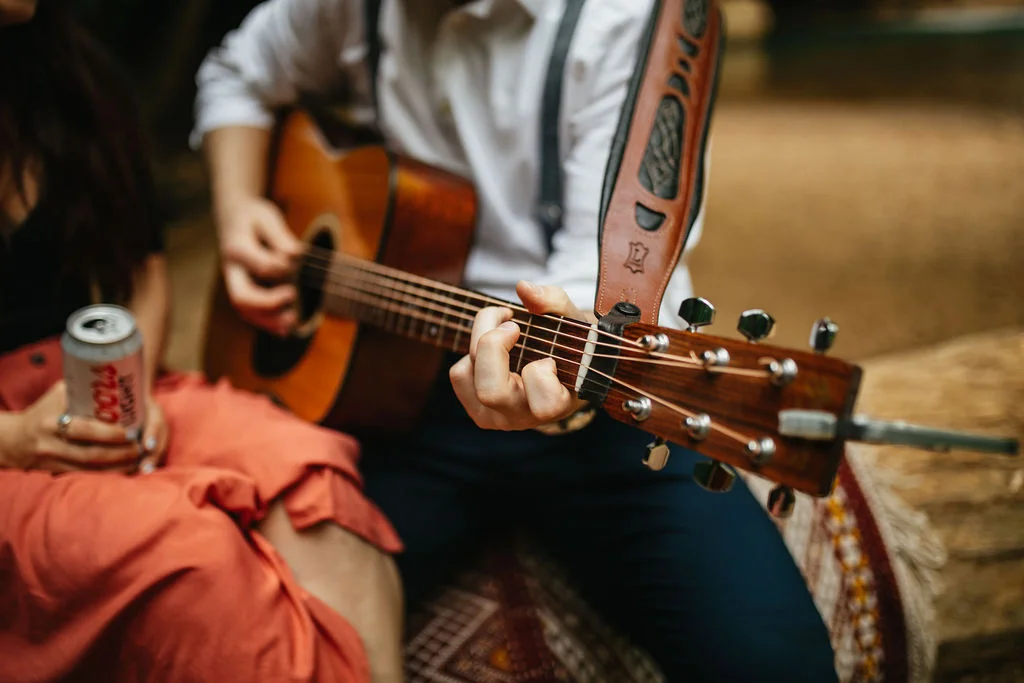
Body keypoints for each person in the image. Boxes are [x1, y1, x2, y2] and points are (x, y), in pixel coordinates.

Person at [194, 0, 840, 680]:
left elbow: (597, 289)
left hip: (606, 390)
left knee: (773, 660)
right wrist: (239, 208)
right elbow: (238, 70)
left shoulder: (630, 20)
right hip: (392, 397)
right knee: (259, 635)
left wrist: (557, 373)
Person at [0, 2, 405, 681]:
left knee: (315, 480)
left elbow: (143, 268)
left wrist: (136, 383)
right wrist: (13, 438)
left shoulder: (74, 72)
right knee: (200, 557)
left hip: (98, 378)